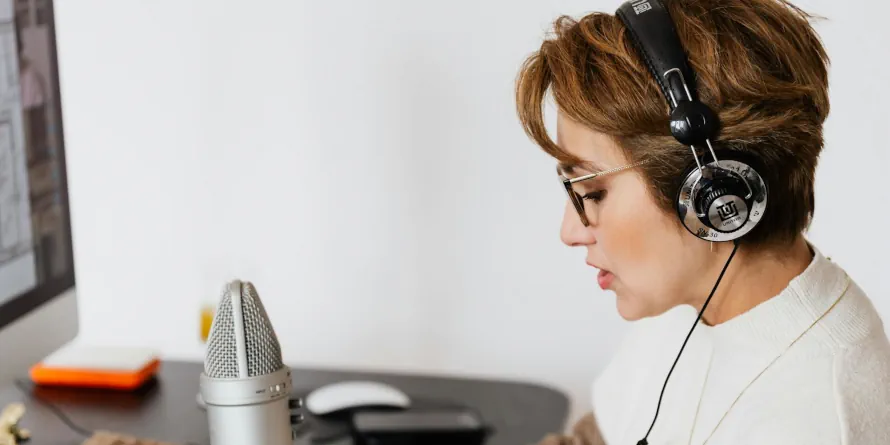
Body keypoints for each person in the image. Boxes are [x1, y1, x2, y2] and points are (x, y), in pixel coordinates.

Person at [514, 0, 890, 444]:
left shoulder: (816, 421)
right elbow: (601, 433)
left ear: (712, 192)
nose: (570, 232)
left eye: (592, 193)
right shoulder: (685, 298)